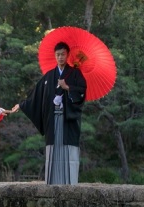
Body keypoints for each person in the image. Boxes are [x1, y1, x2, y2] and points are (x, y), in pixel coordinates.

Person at [11, 42, 87, 185]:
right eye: (58, 55)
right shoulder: (49, 76)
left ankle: (70, 183)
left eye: (63, 54)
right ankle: (53, 182)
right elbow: (36, 96)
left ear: (68, 55)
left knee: (68, 151)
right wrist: (21, 105)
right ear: (55, 56)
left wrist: (68, 88)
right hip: (53, 120)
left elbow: (82, 92)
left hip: (67, 120)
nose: (60, 57)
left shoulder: (75, 73)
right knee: (53, 151)